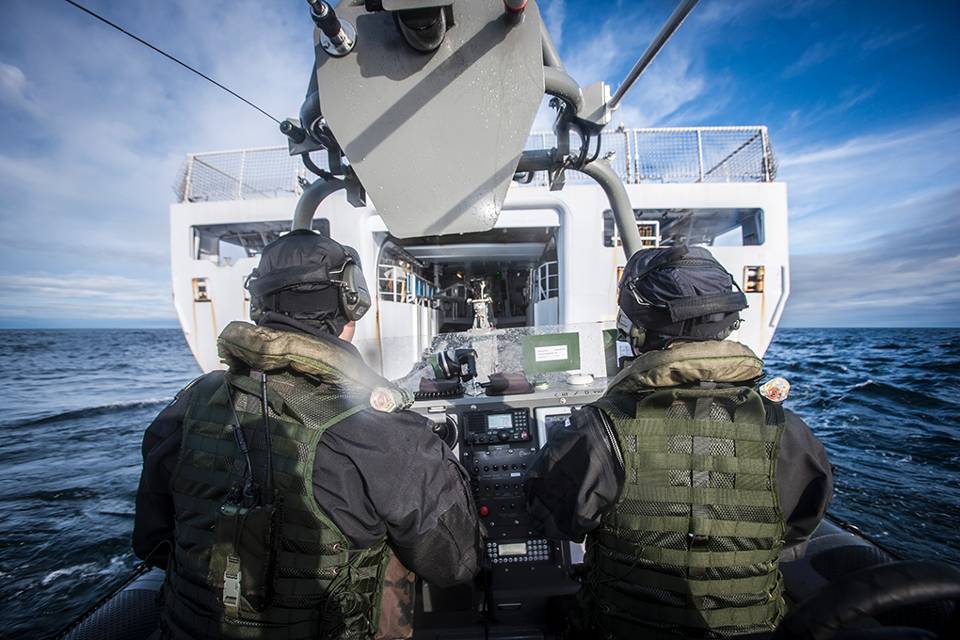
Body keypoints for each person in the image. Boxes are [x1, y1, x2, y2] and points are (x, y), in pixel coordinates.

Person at [133, 229, 482, 640]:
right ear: (350, 301)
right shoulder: (387, 432)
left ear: (259, 303)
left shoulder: (190, 405)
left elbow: (151, 541)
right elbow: (455, 563)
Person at [525, 246, 832, 639]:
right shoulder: (787, 430)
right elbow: (797, 531)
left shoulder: (601, 428)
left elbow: (551, 518)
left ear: (638, 333)